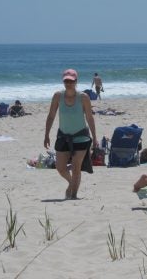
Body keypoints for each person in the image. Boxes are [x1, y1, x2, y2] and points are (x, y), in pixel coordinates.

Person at [44, 68, 98, 200]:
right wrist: (46, 134)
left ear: (76, 82)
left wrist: (95, 137)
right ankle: (71, 183)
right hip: (63, 136)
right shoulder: (58, 96)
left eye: (71, 81)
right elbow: (51, 116)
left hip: (81, 137)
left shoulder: (83, 97)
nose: (68, 83)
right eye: (66, 81)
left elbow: (90, 118)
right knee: (60, 168)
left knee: (76, 167)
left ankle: (73, 195)